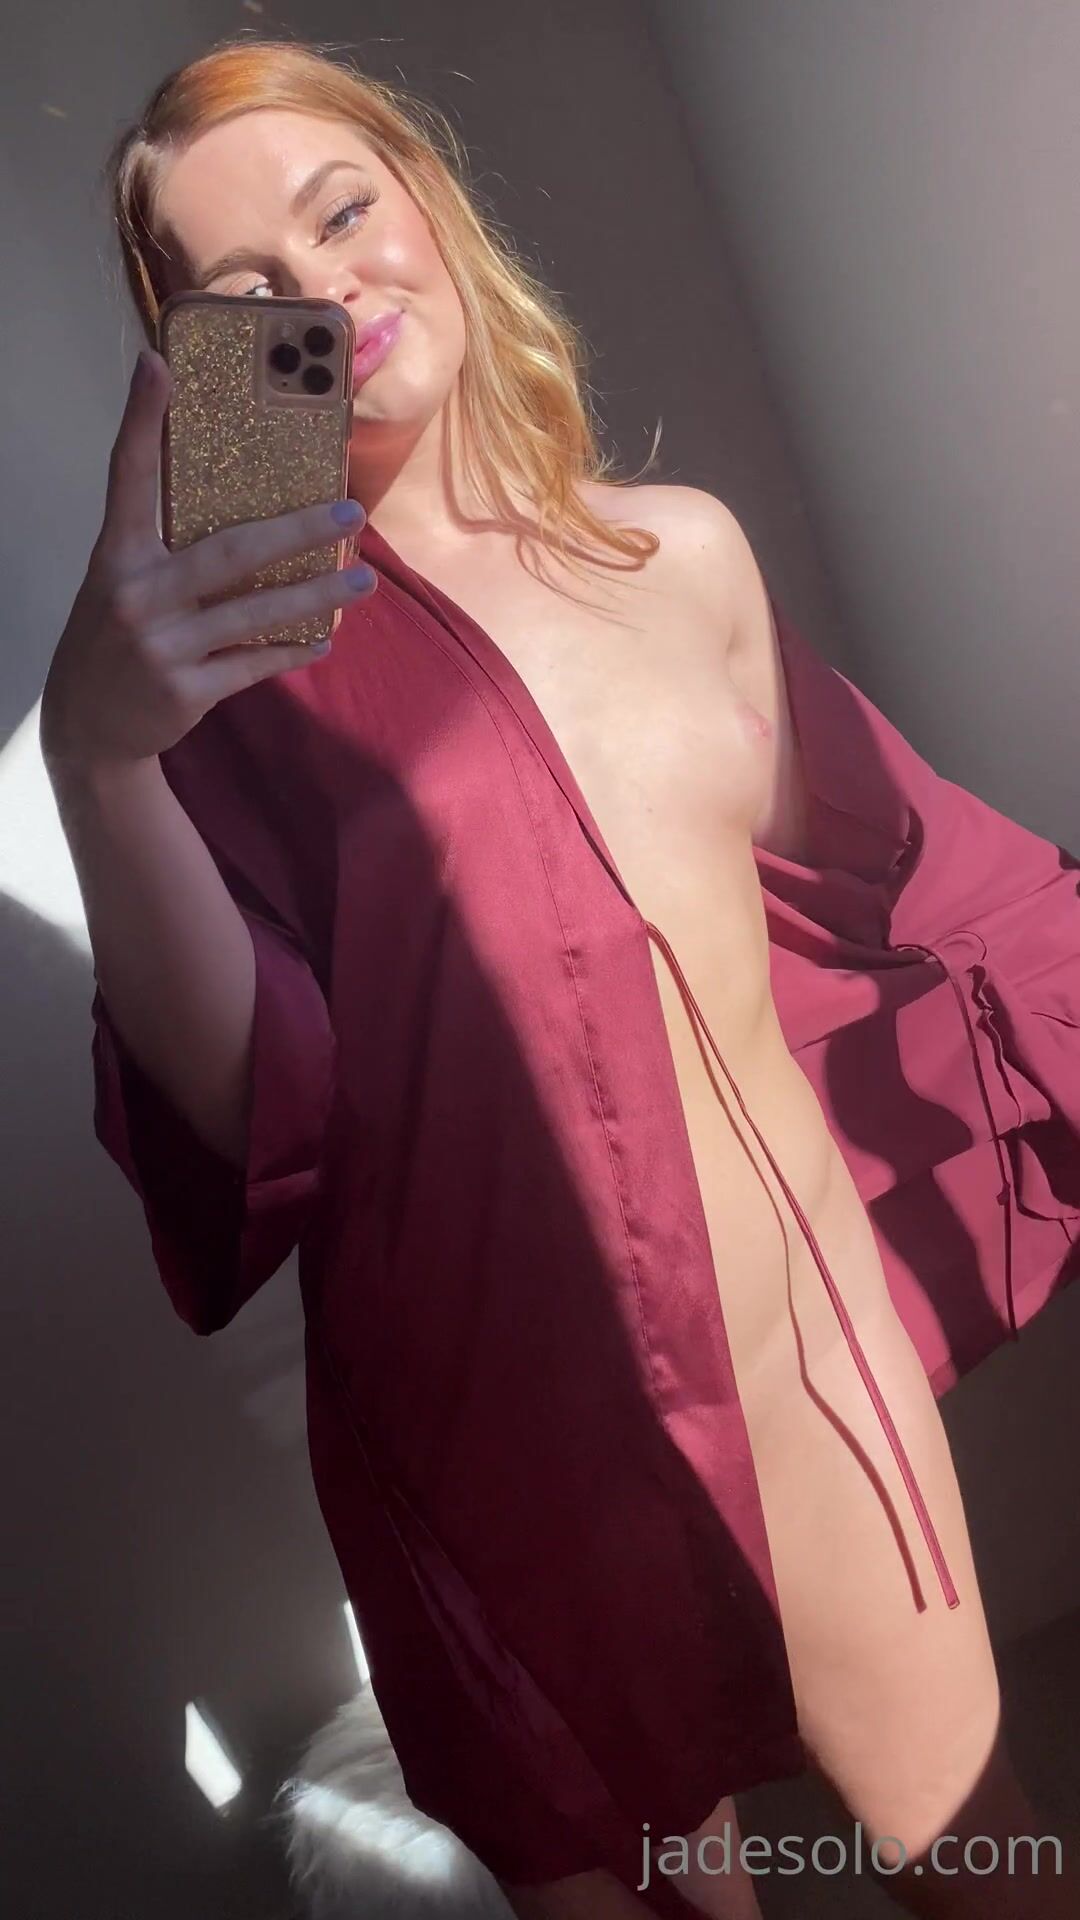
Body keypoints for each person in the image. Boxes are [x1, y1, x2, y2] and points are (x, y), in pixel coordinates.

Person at [40, 38, 1078, 1920]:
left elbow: (883, 886)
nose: (321, 289)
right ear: (201, 373)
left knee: (986, 1863)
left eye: (341, 210)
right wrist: (100, 760)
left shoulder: (681, 561)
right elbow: (246, 1108)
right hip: (508, 1487)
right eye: (243, 296)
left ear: (426, 199)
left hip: (812, 1389)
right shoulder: (234, 702)